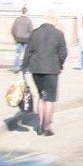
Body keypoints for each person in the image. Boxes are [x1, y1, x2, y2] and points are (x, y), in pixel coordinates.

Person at [21, 9, 68, 137]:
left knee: (42, 96)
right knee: (50, 99)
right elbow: (63, 53)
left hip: (36, 69)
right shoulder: (58, 34)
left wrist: (23, 67)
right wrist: (59, 64)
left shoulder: (35, 33)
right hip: (52, 70)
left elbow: (28, 51)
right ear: (55, 21)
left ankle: (39, 125)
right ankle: (47, 126)